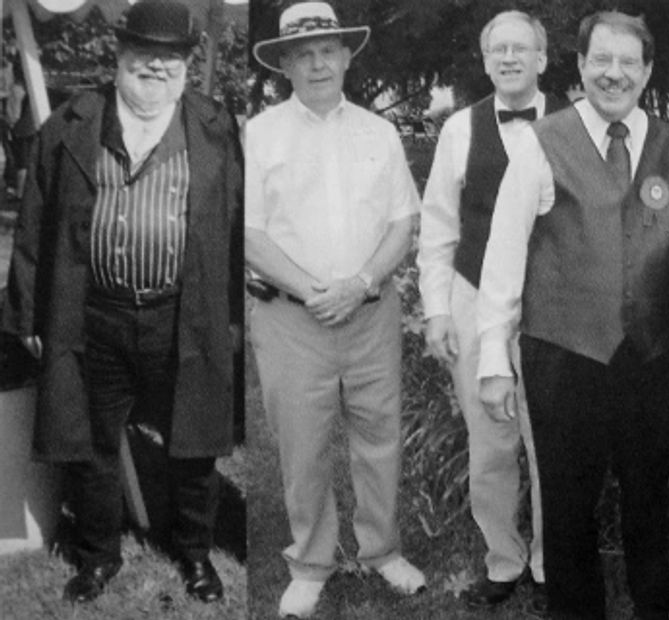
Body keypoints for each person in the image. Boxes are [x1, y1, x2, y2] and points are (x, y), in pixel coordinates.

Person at [0, 0, 241, 603]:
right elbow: (33, 225)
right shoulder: (69, 125)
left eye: (170, 60)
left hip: (181, 315)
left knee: (193, 445)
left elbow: (238, 226)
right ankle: (98, 556)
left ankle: (194, 557)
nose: (157, 69)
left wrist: (235, 314)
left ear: (185, 66)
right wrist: (27, 314)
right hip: (94, 314)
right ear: (119, 57)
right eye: (144, 57)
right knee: (92, 443)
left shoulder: (216, 129)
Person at [474, 11, 669, 619]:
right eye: (602, 60)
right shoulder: (541, 143)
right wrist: (494, 358)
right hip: (565, 355)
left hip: (652, 357)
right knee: (568, 509)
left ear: (647, 71)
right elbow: (503, 255)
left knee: (650, 500)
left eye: (628, 62)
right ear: (581, 65)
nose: (613, 73)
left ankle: (653, 607)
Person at [245, 3, 425, 617]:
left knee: (380, 436)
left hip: (370, 312)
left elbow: (404, 220)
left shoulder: (378, 132)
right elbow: (249, 233)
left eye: (329, 50)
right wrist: (313, 289)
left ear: (347, 56)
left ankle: (381, 550)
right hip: (292, 319)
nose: (318, 62)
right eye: (304, 53)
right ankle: (311, 561)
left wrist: (363, 282)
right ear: (285, 65)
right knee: (303, 443)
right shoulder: (260, 133)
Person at [417, 9, 567, 614]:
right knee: (491, 442)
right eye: (497, 50)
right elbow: (438, 226)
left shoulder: (571, 124)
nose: (508, 58)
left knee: (552, 442)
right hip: (475, 298)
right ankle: (502, 560)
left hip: (553, 308)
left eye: (520, 48)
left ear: (542, 58)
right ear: (485, 62)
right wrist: (435, 311)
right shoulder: (459, 128)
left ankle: (551, 564)